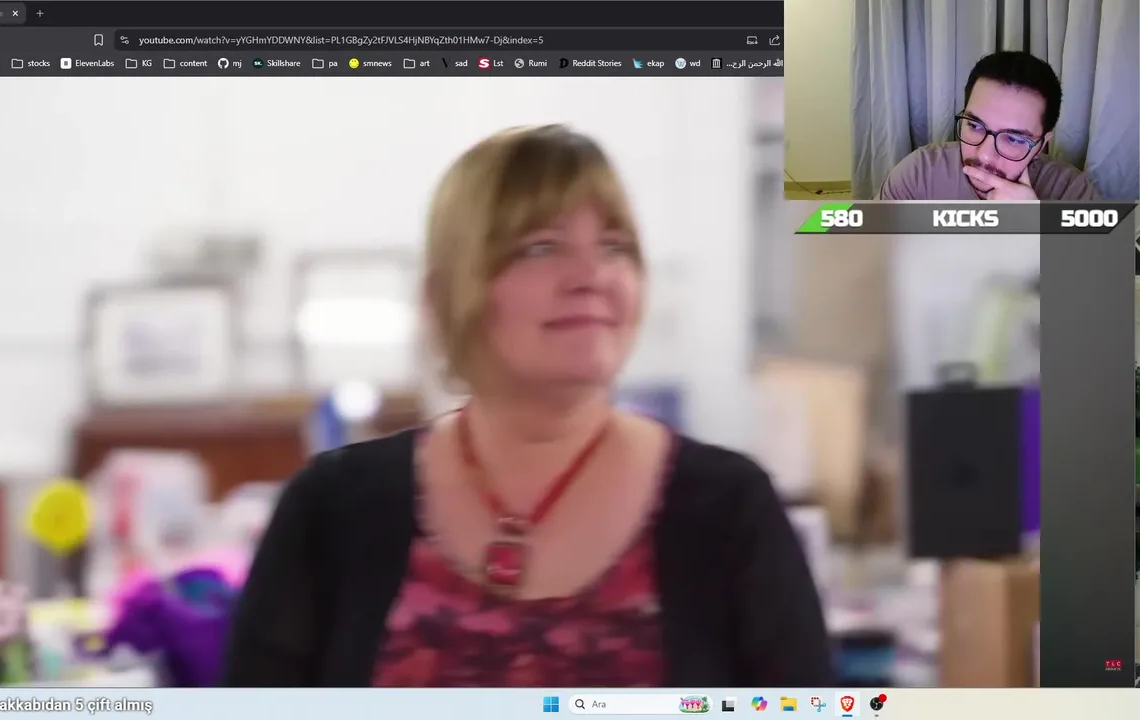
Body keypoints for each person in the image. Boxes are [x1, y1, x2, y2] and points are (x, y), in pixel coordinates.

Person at [223, 125, 833, 687]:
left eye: (615, 246)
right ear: (447, 293)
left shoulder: (729, 510)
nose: (591, 276)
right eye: (541, 248)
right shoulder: (331, 510)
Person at [878, 51, 1102, 201]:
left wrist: (1031, 232)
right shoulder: (919, 175)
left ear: (1041, 144)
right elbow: (868, 249)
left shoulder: (1073, 194)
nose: (984, 155)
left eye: (1013, 138)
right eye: (974, 126)